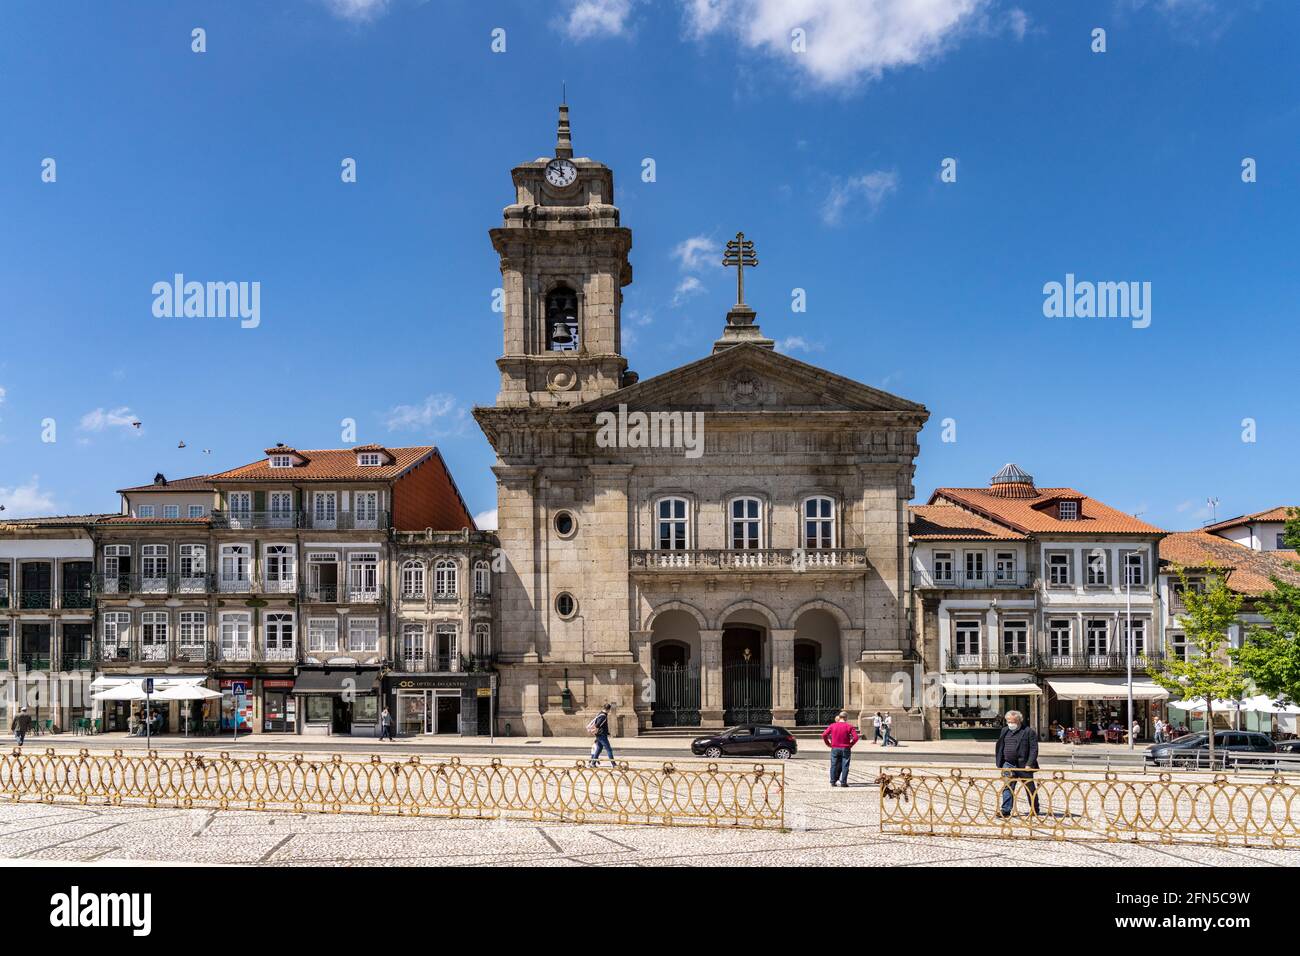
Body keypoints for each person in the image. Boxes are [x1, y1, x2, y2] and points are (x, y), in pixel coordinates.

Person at [995, 709, 1040, 818]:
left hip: (1024, 765)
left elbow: (1034, 749)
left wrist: (1029, 764)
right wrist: (1000, 761)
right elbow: (1000, 745)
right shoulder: (1005, 730)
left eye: (1013, 722)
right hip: (1008, 764)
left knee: (1029, 787)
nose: (1011, 724)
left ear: (1019, 721)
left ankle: (1034, 808)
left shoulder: (1029, 731)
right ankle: (1005, 810)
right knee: (1008, 786)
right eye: (1008, 721)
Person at [821, 711, 860, 787]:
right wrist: (851, 744)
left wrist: (828, 743)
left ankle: (832, 781)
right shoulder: (849, 726)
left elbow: (824, 734)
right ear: (846, 718)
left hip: (835, 748)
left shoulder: (833, 725)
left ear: (839, 717)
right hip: (845, 748)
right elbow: (856, 737)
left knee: (833, 765)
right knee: (845, 765)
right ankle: (843, 782)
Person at [587, 703, 615, 768]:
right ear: (608, 709)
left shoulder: (600, 713)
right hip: (602, 735)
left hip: (600, 735)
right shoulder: (603, 716)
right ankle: (614, 764)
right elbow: (597, 724)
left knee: (599, 748)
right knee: (609, 749)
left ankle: (593, 763)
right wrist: (595, 730)